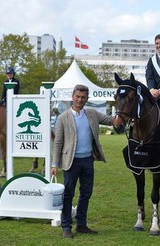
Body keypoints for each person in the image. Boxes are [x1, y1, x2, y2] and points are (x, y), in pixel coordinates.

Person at [51, 84, 114, 239]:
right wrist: (54, 164)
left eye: (83, 97)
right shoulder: (63, 117)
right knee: (68, 195)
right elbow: (58, 142)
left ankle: (81, 224)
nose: (80, 100)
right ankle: (66, 226)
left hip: (87, 161)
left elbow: (111, 120)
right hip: (70, 162)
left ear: (87, 99)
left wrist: (126, 112)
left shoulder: (92, 114)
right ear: (73, 96)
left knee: (86, 193)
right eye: (77, 96)